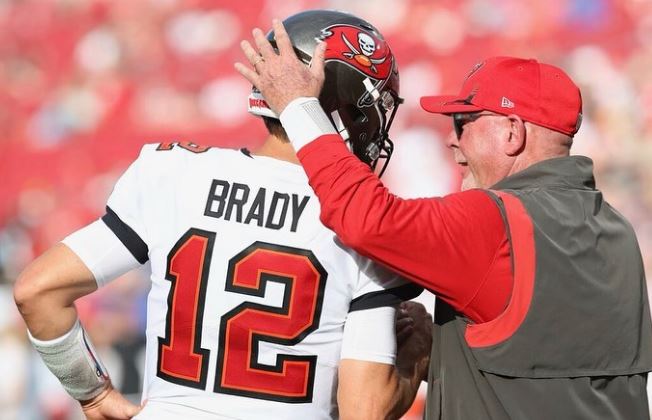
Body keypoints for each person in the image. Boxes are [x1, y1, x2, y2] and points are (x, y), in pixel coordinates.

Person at [13, 10, 430, 420]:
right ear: (345, 107)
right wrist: (417, 353)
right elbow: (365, 412)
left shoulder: (172, 172)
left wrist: (92, 393)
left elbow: (38, 290)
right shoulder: (363, 217)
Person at [236, 20, 652, 420]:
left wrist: (298, 107)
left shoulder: (496, 220)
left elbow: (364, 219)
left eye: (463, 122)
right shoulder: (616, 230)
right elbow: (550, 357)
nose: (452, 139)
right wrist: (453, 343)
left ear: (512, 132)